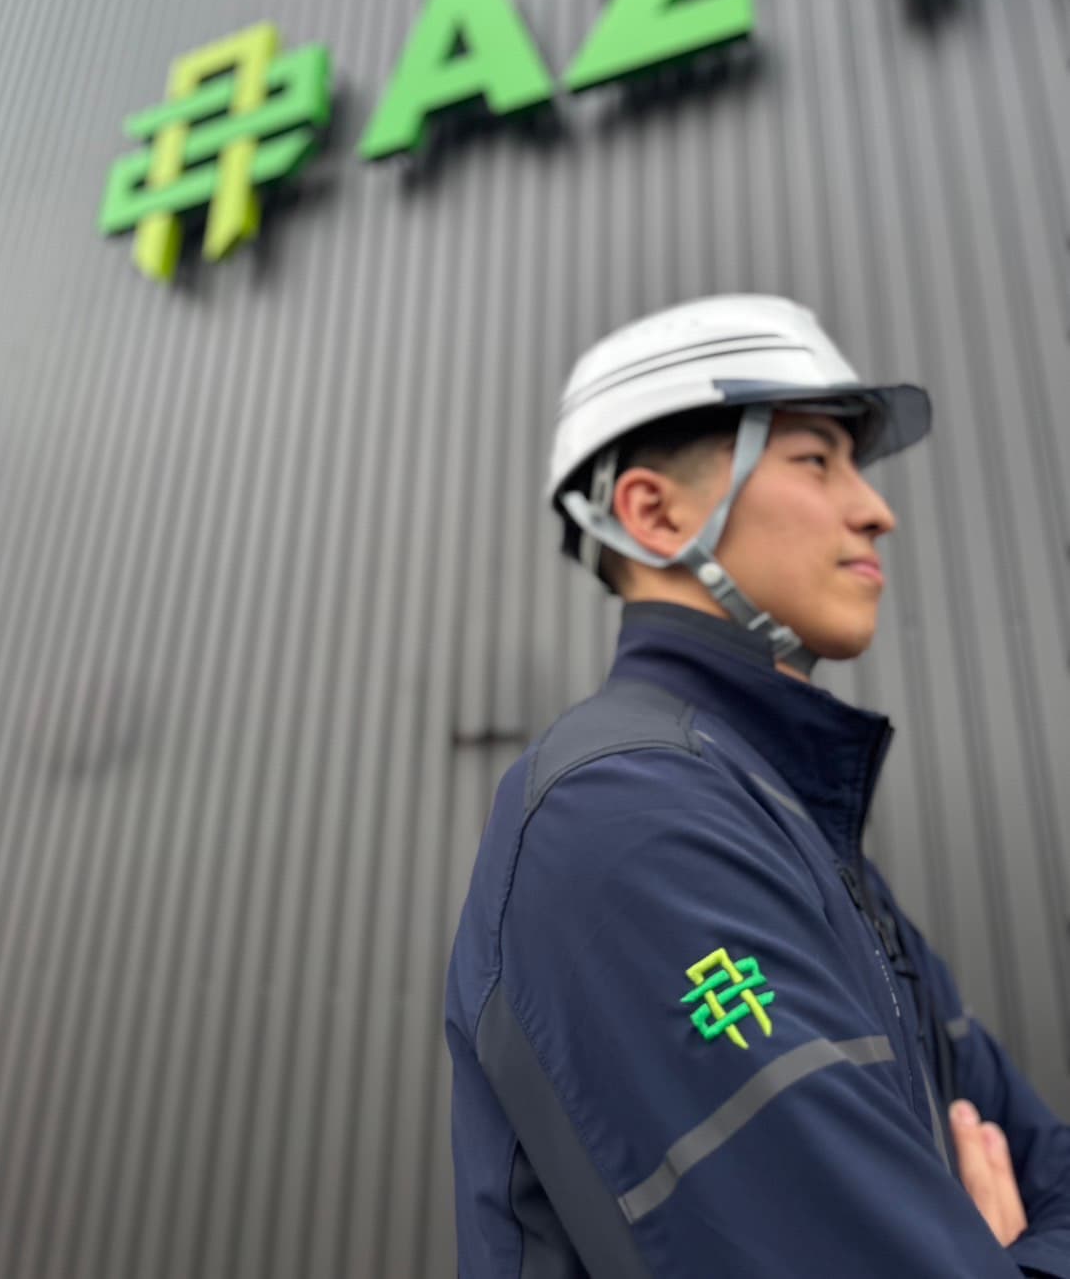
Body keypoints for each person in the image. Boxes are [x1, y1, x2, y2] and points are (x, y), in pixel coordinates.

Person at [445, 294, 1070, 1278]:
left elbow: (1050, 1169)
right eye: (816, 459)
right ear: (653, 512)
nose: (876, 509)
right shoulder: (625, 817)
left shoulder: (809, 849)